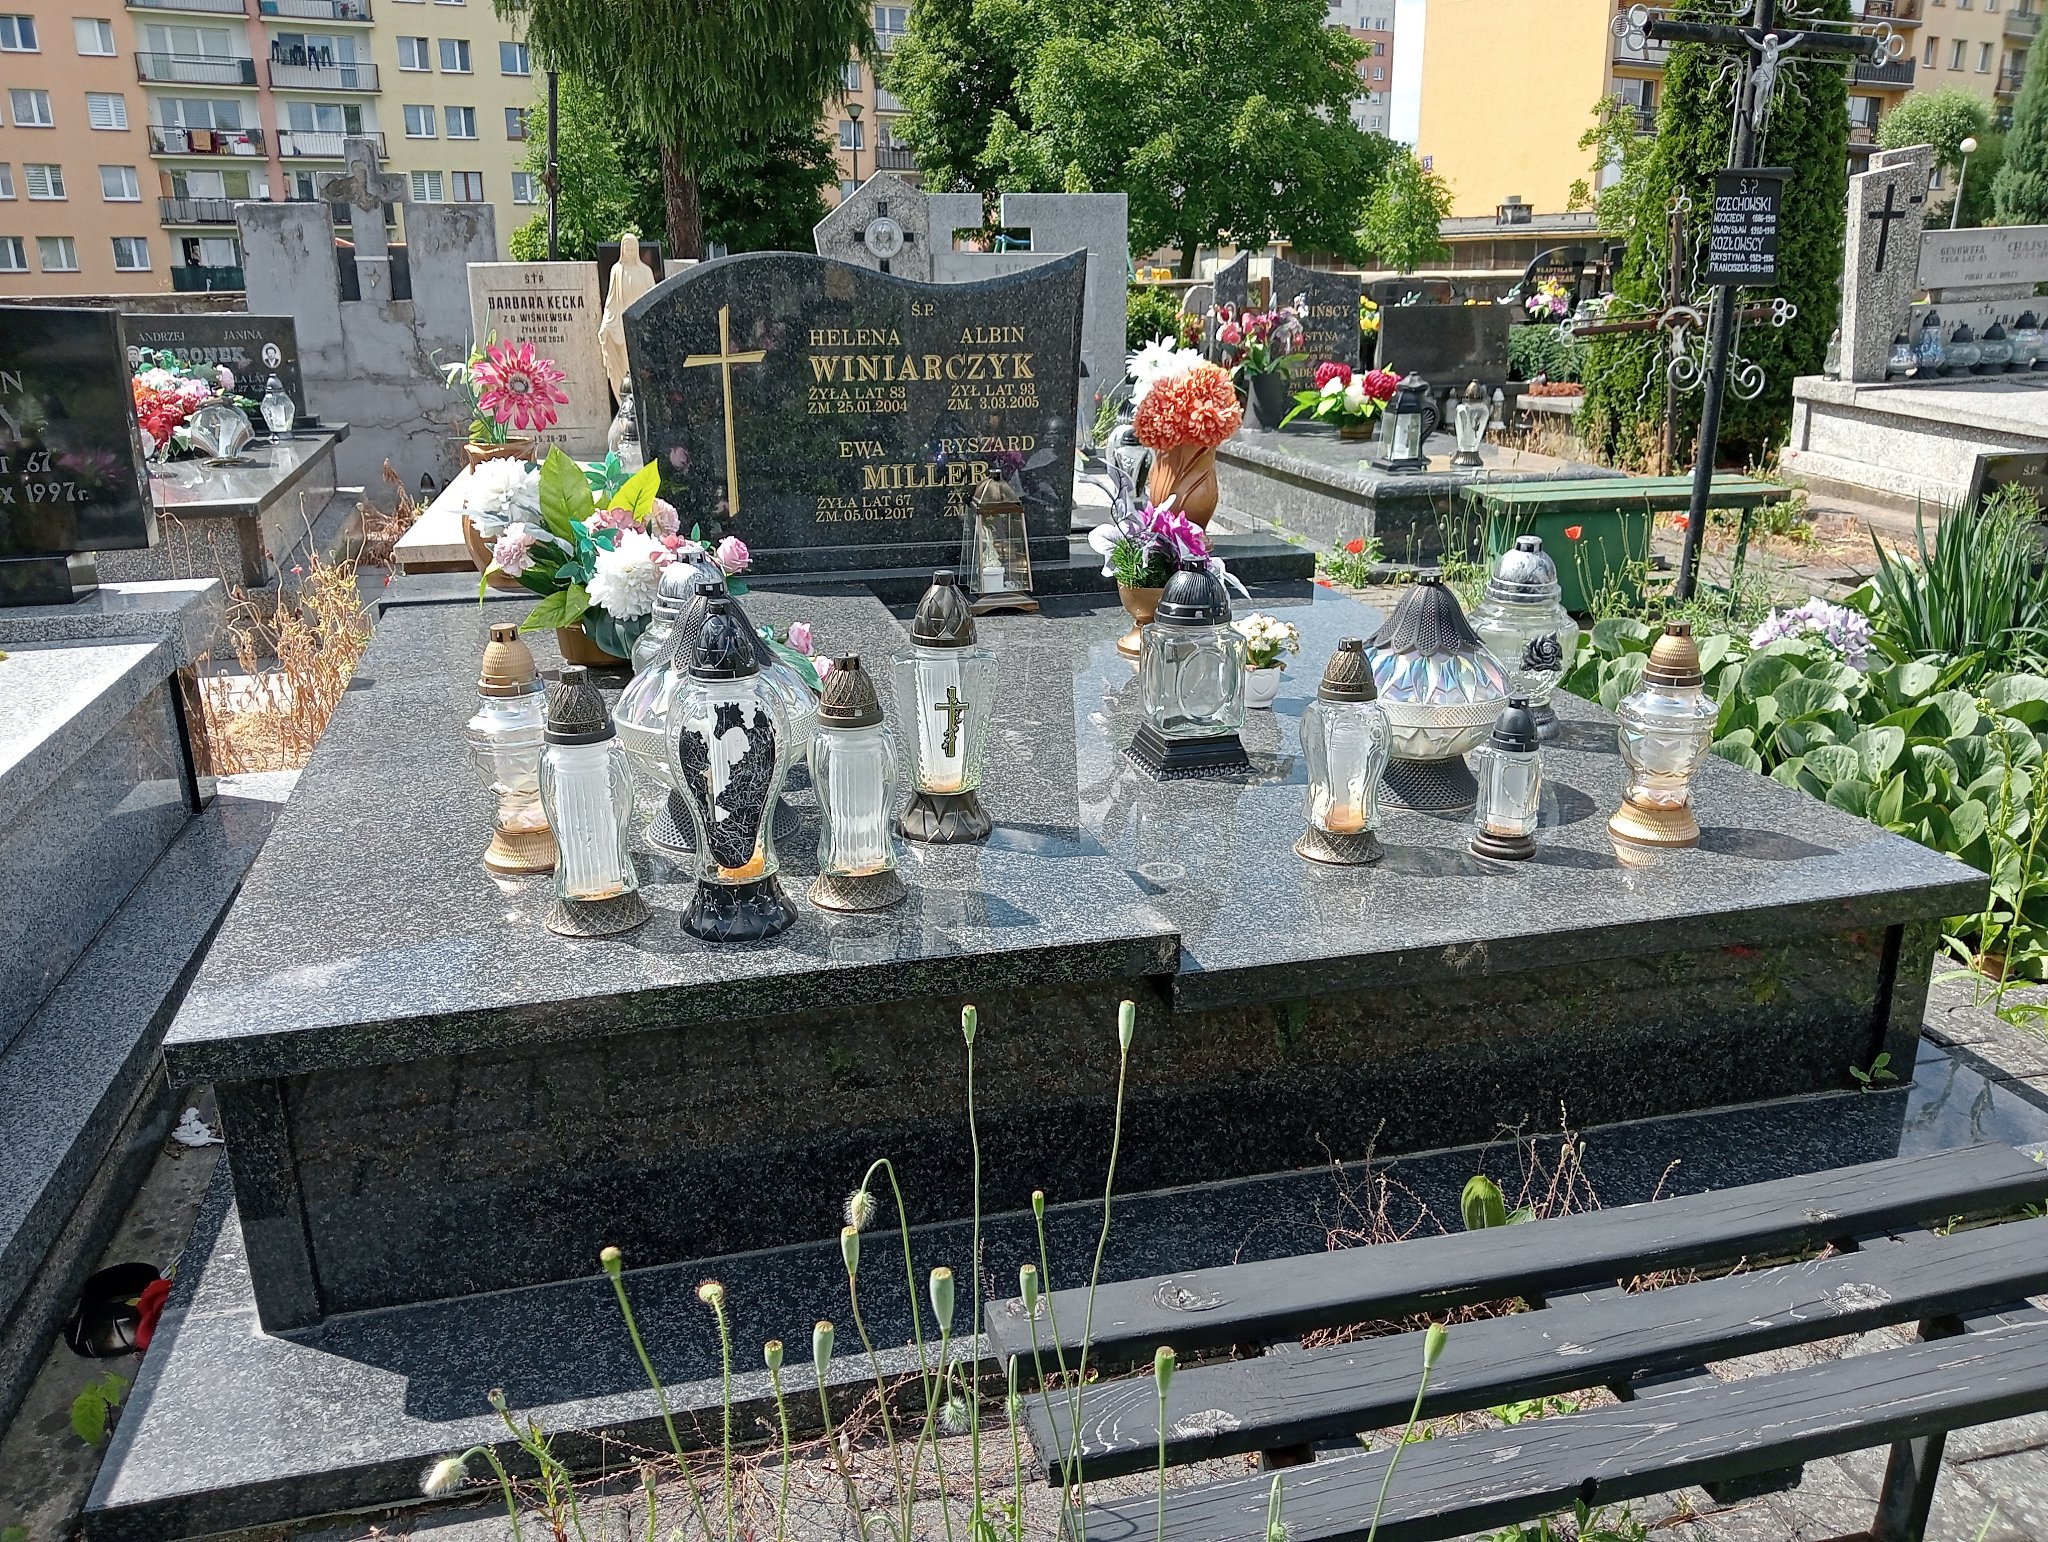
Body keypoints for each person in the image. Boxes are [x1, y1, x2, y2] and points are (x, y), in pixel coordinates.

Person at [599, 231, 656, 406]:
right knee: (626, 368)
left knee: (642, 366)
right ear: (622, 250)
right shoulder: (617, 270)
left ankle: (646, 403)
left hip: (641, 326)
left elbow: (653, 298)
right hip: (622, 327)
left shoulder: (646, 272)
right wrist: (606, 324)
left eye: (632, 249)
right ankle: (628, 405)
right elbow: (611, 300)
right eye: (627, 249)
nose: (630, 252)